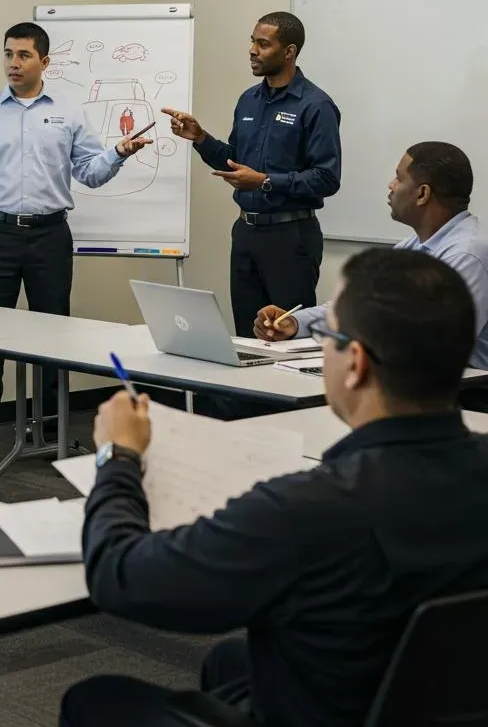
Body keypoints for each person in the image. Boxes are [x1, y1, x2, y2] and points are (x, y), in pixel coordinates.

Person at [60, 247, 488, 727]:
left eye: (327, 334)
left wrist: (117, 456)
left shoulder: (309, 508)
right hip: (426, 696)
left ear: (357, 364)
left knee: (96, 698)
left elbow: (120, 577)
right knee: (230, 660)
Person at [0, 22, 149, 474]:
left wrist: (119, 151)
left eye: (22, 55)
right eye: (7, 55)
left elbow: (91, 173)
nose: (13, 64)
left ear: (44, 61)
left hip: (49, 235)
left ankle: (52, 437)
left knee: (54, 339)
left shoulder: (69, 112)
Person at [162, 12, 341, 336]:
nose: (252, 51)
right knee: (248, 333)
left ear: (288, 52)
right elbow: (235, 162)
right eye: (252, 42)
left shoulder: (315, 105)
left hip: (291, 236)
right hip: (246, 232)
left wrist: (265, 181)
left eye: (263, 44)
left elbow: (327, 178)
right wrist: (201, 138)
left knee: (285, 335)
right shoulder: (249, 100)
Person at [256, 142, 488, 371]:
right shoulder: (415, 247)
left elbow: (439, 344)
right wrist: (295, 323)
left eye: (399, 178)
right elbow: (355, 305)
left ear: (422, 194)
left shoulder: (468, 254)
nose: (391, 185)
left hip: (464, 392)